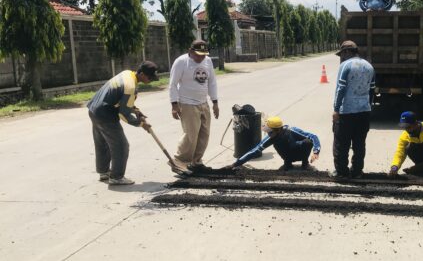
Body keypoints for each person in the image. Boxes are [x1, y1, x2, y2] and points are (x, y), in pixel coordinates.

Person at [87, 61, 158, 185]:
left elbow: (123, 100)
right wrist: (141, 124)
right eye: (149, 77)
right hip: (105, 114)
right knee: (121, 145)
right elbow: (123, 114)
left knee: (102, 142)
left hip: (94, 109)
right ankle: (116, 177)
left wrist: (136, 110)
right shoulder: (129, 87)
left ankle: (103, 172)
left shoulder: (127, 74)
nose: (150, 80)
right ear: (141, 73)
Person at [169, 39, 219, 171]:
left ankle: (196, 162)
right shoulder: (181, 62)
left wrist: (215, 102)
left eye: (203, 54)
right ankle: (180, 161)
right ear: (190, 51)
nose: (201, 57)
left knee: (204, 134)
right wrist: (174, 105)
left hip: (204, 103)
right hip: (187, 104)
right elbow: (173, 84)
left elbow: (212, 82)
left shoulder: (208, 61)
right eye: (198, 54)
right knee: (191, 135)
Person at [333, 40, 376, 178]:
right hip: (364, 112)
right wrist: (368, 106)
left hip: (347, 112)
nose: (341, 57)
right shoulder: (370, 67)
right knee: (359, 144)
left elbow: (340, 89)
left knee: (341, 144)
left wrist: (336, 109)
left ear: (346, 52)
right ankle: (357, 171)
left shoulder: (345, 66)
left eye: (342, 54)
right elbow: (372, 90)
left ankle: (341, 172)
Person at [229, 116, 320, 170]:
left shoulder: (292, 130)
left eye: (270, 132)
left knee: (308, 142)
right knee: (278, 144)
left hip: (298, 150)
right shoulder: (271, 138)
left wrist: (316, 151)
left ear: (279, 130)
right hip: (287, 155)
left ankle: (305, 164)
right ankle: (287, 164)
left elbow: (313, 137)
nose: (268, 134)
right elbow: (254, 150)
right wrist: (236, 163)